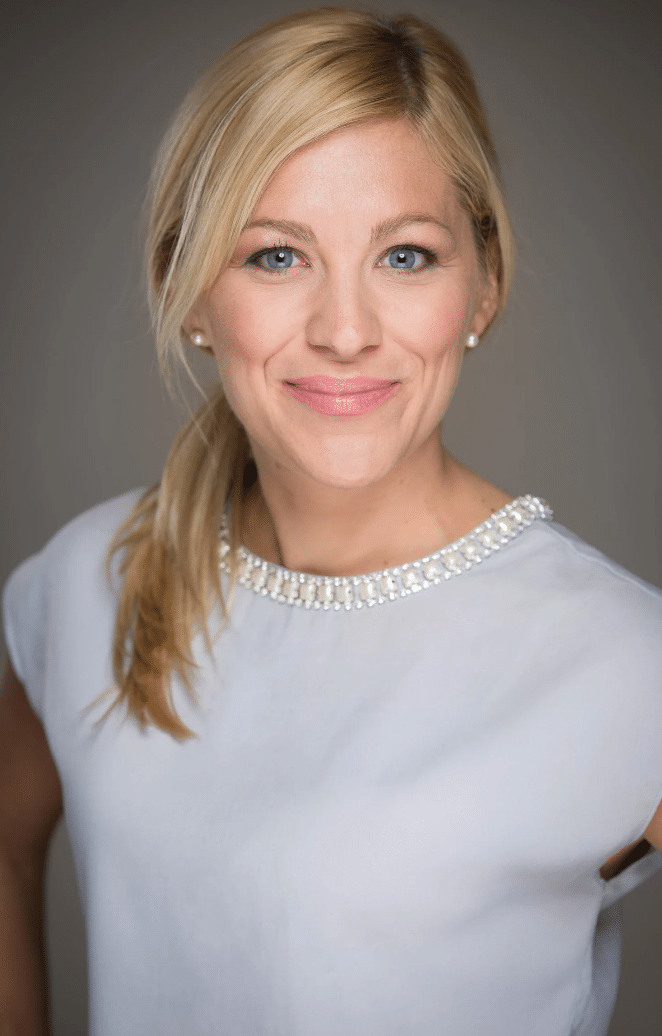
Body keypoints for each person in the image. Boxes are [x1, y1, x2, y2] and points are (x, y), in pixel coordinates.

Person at [1, 7, 661, 1035]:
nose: (345, 331)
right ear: (187, 289)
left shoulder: (625, 661)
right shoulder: (89, 575)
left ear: (482, 285)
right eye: (276, 256)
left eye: (406, 256)